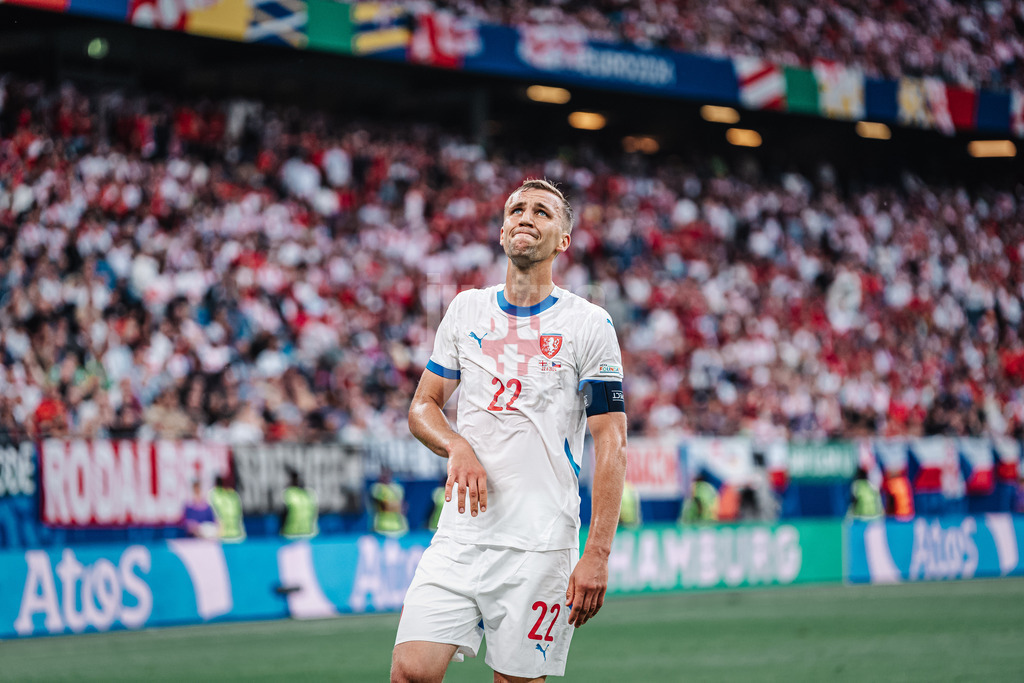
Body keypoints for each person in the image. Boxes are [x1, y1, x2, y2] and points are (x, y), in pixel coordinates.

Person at [392, 179, 628, 683]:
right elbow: (422, 407)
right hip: (460, 536)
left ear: (563, 240)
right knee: (410, 674)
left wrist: (597, 554)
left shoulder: (589, 324)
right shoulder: (465, 309)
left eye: (542, 212)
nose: (525, 217)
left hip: (539, 545)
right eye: (516, 209)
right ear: (502, 231)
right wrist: (456, 445)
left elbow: (611, 440)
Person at [280, 468, 319, 540]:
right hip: (309, 535)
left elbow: (283, 515)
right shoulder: (310, 493)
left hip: (290, 535)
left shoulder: (288, 493)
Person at [371, 467, 410, 537]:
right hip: (382, 528)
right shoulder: (378, 488)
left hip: (398, 528)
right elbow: (384, 506)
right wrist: (397, 506)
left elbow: (404, 507)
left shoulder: (398, 489)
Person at [209, 474, 246, 542]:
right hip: (222, 537)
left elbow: (239, 516)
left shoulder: (234, 496)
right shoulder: (214, 495)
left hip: (236, 536)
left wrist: (243, 534)